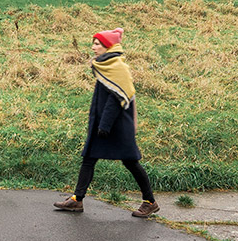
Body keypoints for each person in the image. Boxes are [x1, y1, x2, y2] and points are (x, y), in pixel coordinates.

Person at [53, 27, 160, 218]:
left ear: (108, 46)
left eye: (97, 44)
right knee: (89, 158)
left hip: (116, 126)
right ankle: (77, 200)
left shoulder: (118, 66)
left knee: (131, 162)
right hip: (102, 123)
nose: (93, 47)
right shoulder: (105, 65)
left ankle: (150, 201)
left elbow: (117, 98)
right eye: (93, 43)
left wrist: (105, 125)